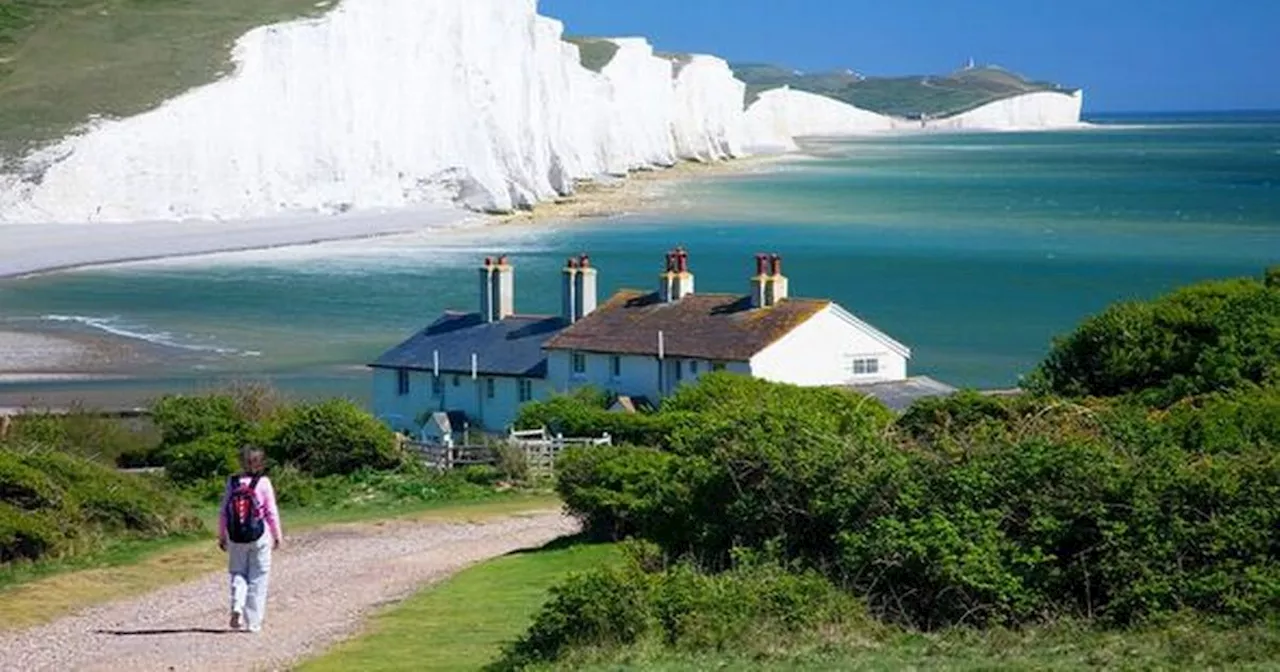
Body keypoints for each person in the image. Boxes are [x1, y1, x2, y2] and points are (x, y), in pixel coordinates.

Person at [217, 447, 283, 633]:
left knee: (238, 572)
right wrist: (277, 535)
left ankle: (237, 606)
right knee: (258, 577)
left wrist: (222, 535)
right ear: (261, 463)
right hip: (259, 535)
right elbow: (271, 512)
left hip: (235, 536)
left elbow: (223, 511)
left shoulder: (232, 482)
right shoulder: (263, 483)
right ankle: (253, 622)